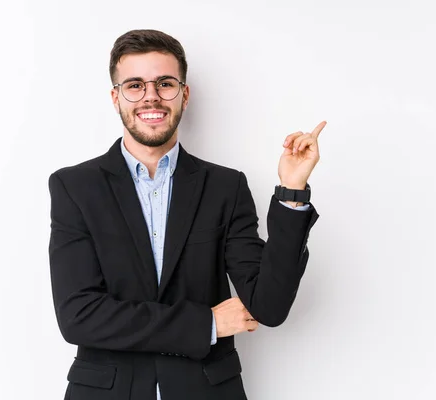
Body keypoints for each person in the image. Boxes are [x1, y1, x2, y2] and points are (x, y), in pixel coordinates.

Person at [48, 29, 324, 400]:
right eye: (134, 85)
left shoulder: (225, 186)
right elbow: (79, 317)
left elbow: (268, 307)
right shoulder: (74, 187)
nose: (151, 96)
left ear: (184, 94)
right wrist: (207, 323)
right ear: (116, 98)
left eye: (165, 83)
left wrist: (292, 192)